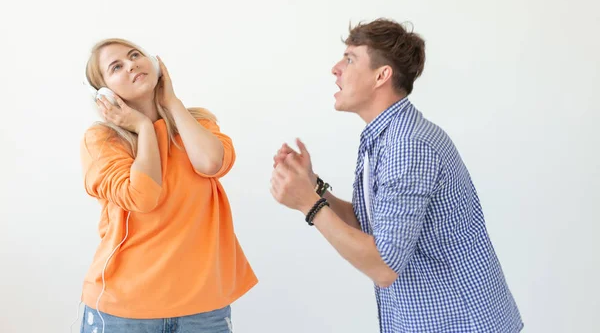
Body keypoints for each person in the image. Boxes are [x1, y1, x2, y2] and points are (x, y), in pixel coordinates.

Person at [270, 19, 523, 333]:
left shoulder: (408, 147)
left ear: (381, 75)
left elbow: (384, 266)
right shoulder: (385, 138)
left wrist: (308, 204)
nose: (336, 68)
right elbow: (372, 225)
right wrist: (315, 188)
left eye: (349, 59)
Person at [77, 38, 257, 333]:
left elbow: (211, 163)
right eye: (116, 66)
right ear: (104, 93)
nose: (132, 64)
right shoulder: (102, 141)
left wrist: (171, 102)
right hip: (124, 311)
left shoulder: (198, 122)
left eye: (135, 55)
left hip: (203, 309)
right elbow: (143, 196)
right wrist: (143, 127)